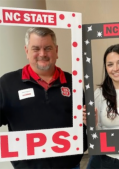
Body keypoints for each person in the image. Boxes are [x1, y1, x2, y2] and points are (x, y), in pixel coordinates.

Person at [0, 27, 87, 169]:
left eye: (48, 48)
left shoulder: (73, 82)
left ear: (56, 51)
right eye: (36, 49)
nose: (42, 54)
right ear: (27, 51)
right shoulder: (6, 83)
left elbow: (84, 121)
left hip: (70, 166)